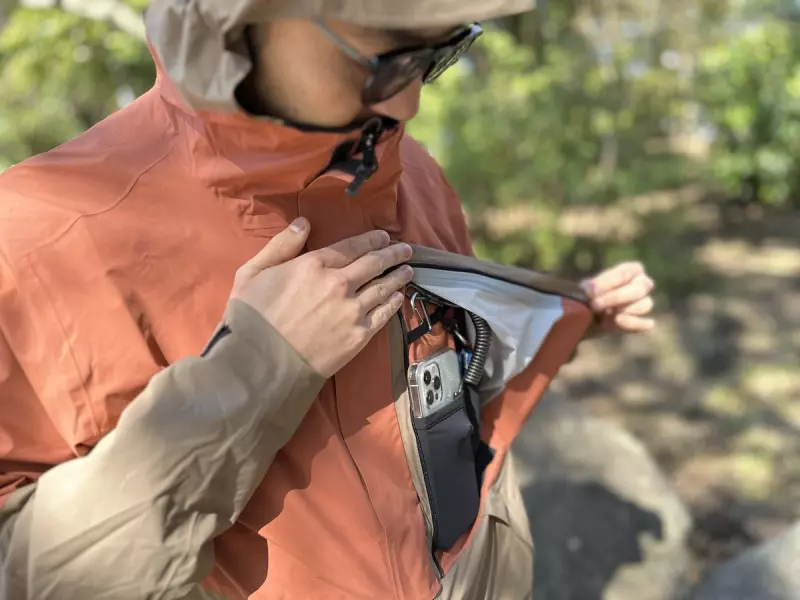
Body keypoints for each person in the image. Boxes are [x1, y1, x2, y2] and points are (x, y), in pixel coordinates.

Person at [0, 1, 656, 598]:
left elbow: (449, 382)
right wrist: (256, 370)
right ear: (240, 21)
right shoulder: (37, 241)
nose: (407, 104)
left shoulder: (415, 174)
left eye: (438, 54)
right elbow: (22, 573)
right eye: (383, 58)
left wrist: (548, 318)